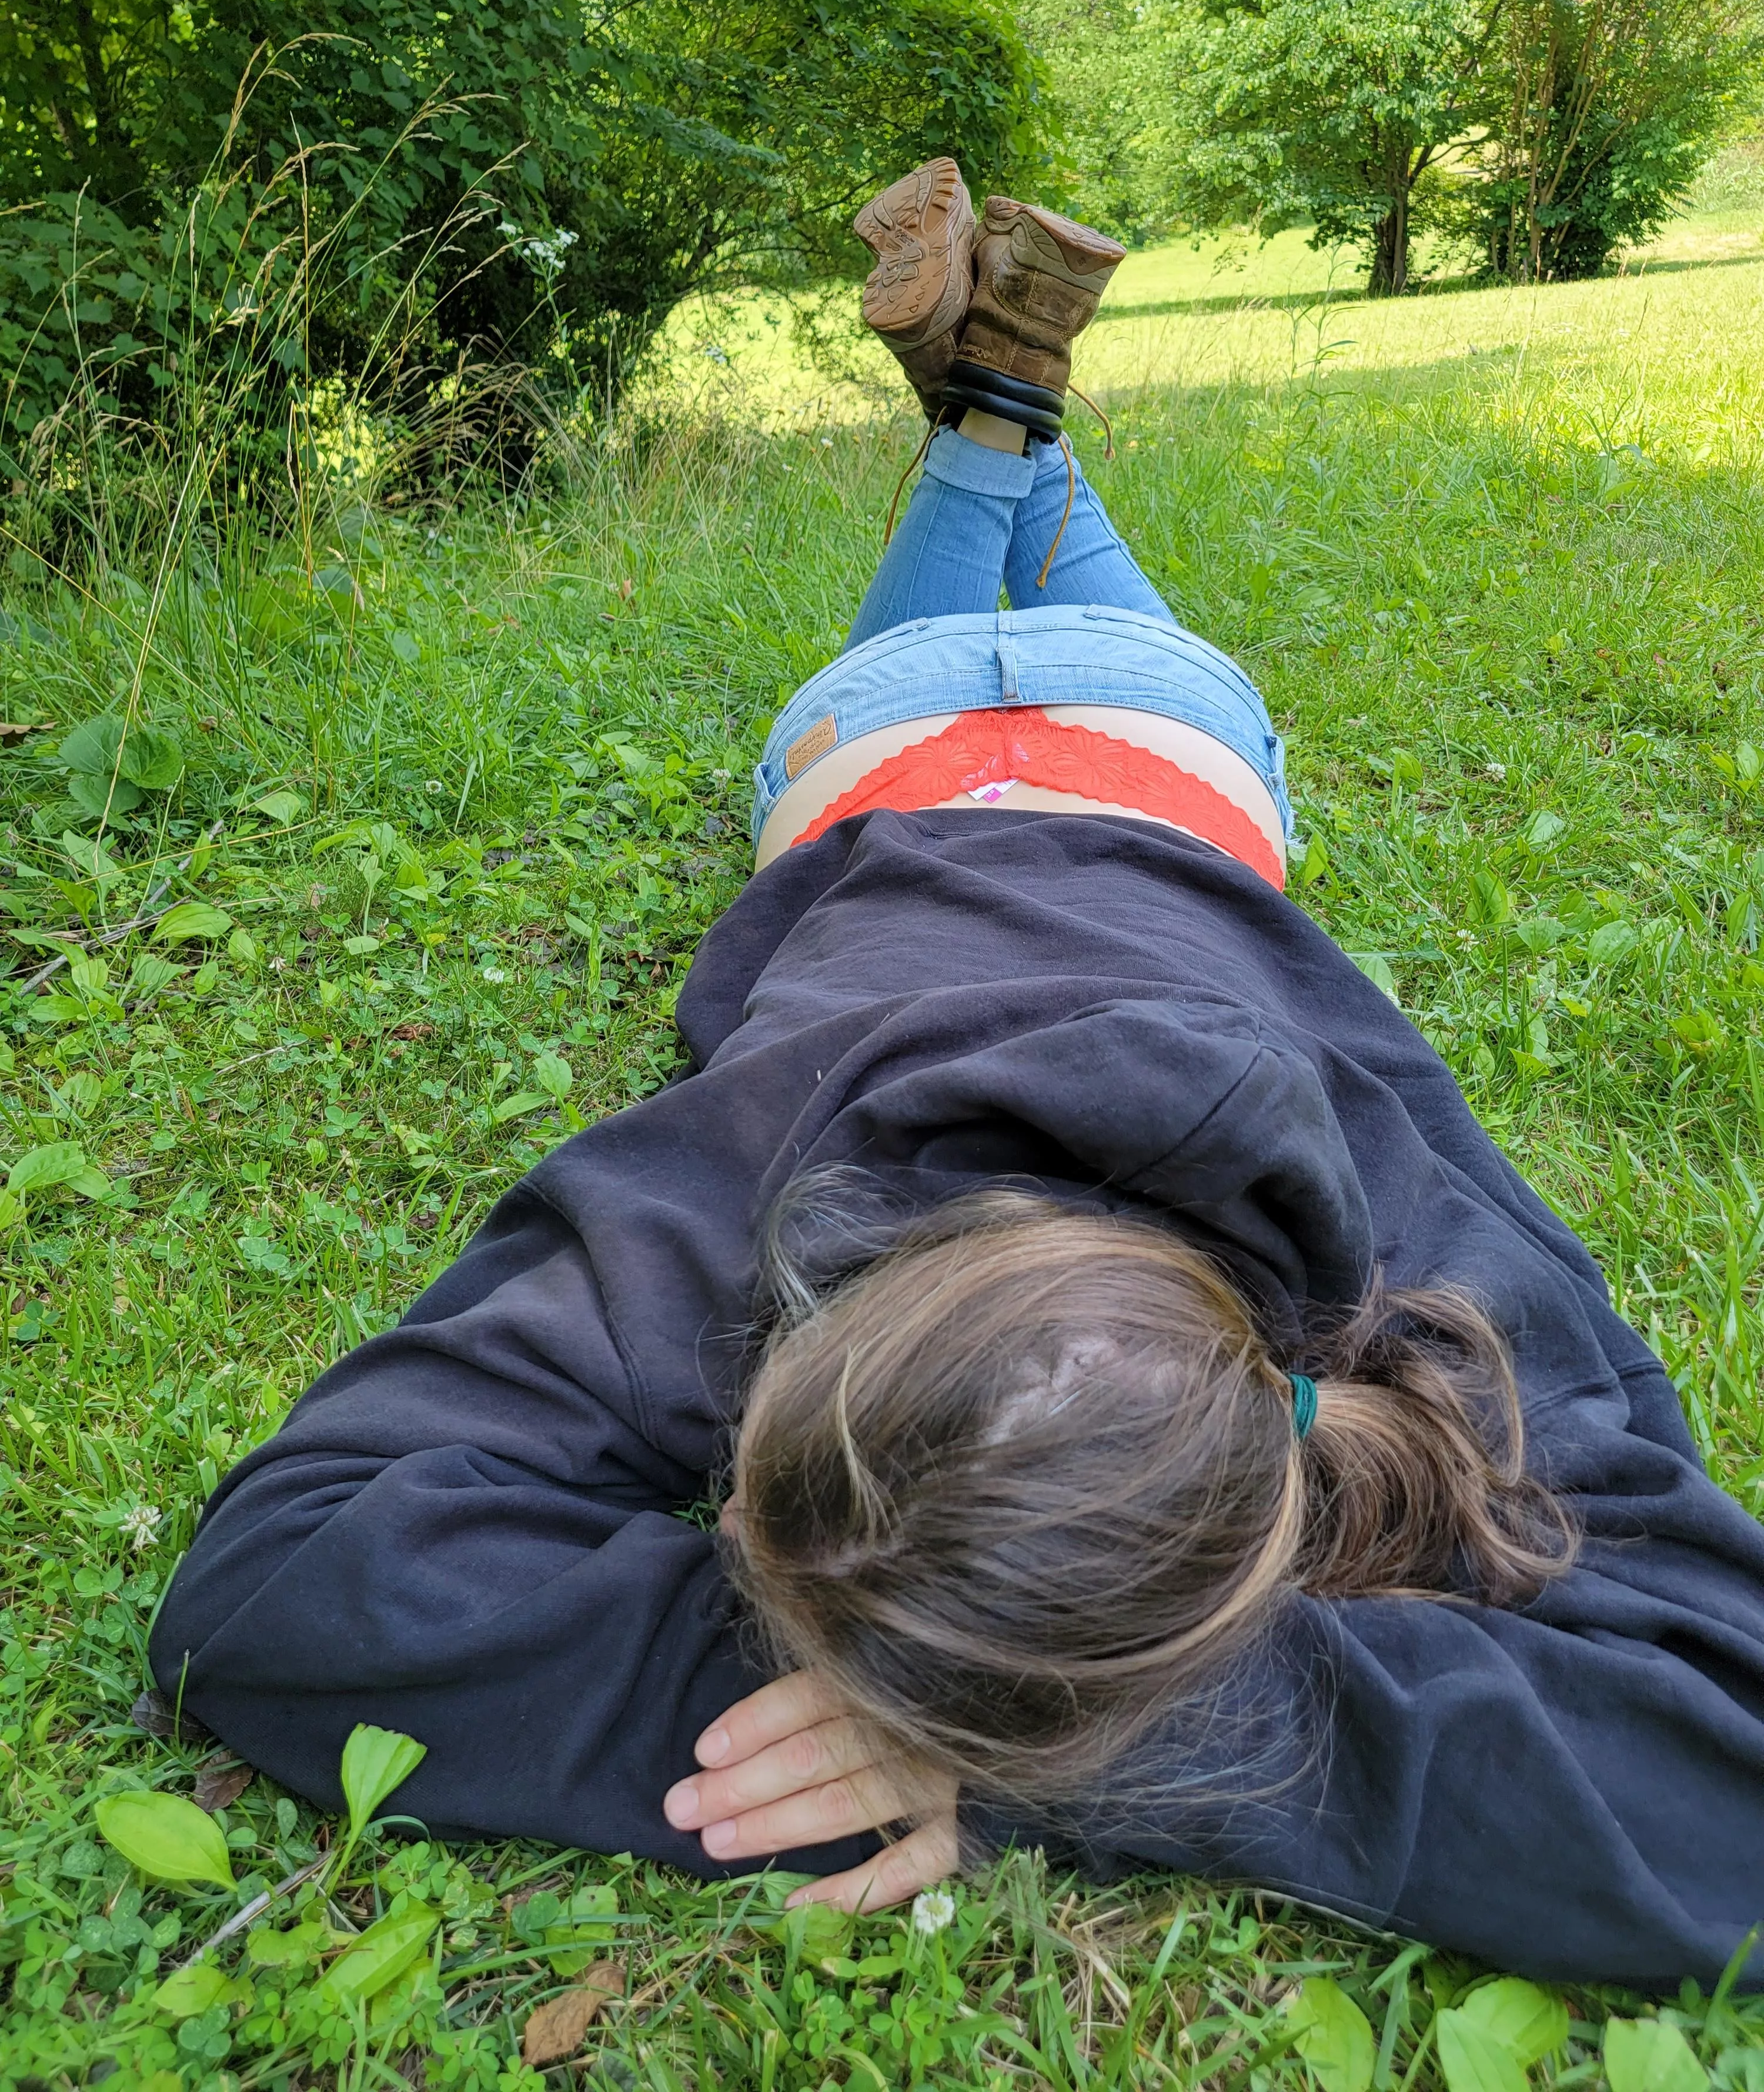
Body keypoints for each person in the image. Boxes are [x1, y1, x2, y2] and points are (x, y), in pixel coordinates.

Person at [151, 161, 1764, 1993]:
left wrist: (1041, 1718)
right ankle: (998, 406)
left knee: (1022, 590)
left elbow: (281, 1581)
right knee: (957, 622)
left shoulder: (1393, 1231)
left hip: (1154, 737)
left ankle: (997, 406)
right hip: (895, 750)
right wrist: (1085, 1722)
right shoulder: (762, 1185)